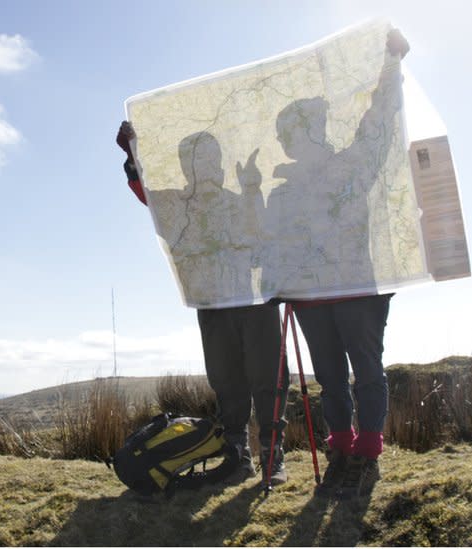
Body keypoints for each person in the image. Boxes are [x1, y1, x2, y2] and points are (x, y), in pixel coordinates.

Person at [116, 121, 288, 485]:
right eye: (195, 160)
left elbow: (262, 243)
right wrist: (133, 156)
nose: (204, 166)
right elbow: (147, 193)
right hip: (212, 305)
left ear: (220, 162)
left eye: (210, 158)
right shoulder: (178, 206)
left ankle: (274, 458)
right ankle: (239, 457)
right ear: (184, 167)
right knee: (227, 382)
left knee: (268, 378)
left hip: (255, 302)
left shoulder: (239, 199)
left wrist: (253, 189)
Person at [288, 27, 411, 501]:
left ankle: (367, 454)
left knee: (366, 369)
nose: (301, 139)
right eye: (293, 133)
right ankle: (341, 451)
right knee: (330, 378)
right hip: (310, 296)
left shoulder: (352, 165)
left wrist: (391, 62)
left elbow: (378, 120)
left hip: (358, 289)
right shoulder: (285, 190)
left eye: (307, 128)